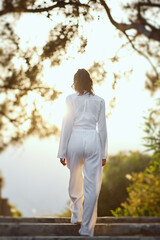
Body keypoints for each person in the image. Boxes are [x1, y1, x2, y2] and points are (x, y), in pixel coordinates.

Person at [57, 68, 108, 237]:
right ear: (90, 81)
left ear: (75, 82)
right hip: (93, 139)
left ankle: (75, 214)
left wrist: (62, 152)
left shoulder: (70, 99)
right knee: (92, 185)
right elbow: (102, 128)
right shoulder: (100, 101)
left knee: (75, 177)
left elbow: (67, 124)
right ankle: (86, 227)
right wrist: (103, 153)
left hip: (75, 139)